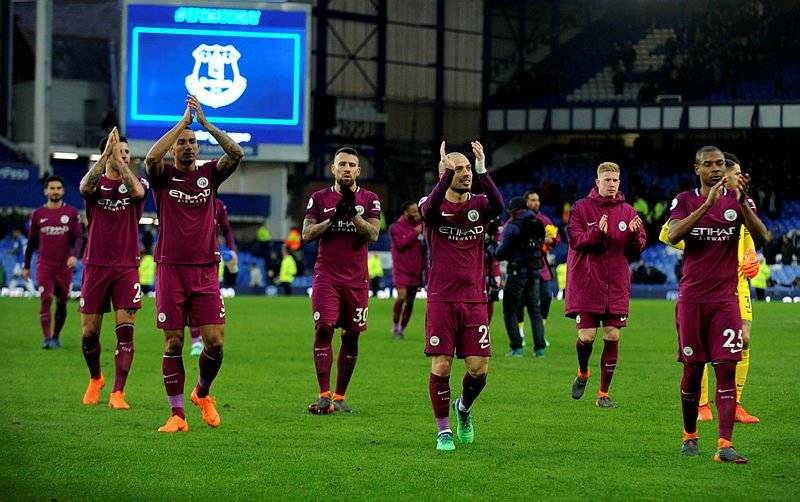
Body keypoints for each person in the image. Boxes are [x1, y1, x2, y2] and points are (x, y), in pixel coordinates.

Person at [145, 94, 244, 432]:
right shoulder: (163, 177)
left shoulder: (209, 176)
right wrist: (181, 125)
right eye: (183, 143)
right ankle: (177, 415)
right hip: (170, 269)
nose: (188, 146)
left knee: (215, 342)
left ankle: (202, 393)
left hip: (205, 270)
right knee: (173, 342)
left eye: (192, 143)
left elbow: (236, 153)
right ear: (175, 147)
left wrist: (205, 125)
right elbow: (150, 157)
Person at [667, 145, 769, 463]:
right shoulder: (684, 200)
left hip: (725, 299)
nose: (715, 169)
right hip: (691, 300)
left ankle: (724, 445)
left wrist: (741, 204)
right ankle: (689, 436)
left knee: (726, 367)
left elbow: (763, 236)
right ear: (697, 169)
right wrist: (705, 207)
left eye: (720, 164)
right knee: (693, 371)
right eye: (708, 164)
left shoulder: (739, 201)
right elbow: (672, 235)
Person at [419, 140, 503, 451]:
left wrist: (483, 169)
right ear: (444, 173)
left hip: (475, 298)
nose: (465, 173)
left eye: (467, 168)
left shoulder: (479, 204)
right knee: (441, 365)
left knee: (478, 369)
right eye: (459, 169)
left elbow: (499, 205)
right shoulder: (432, 205)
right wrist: (444, 173)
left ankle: (463, 409)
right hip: (441, 298)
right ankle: (443, 431)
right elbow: (428, 212)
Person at [302, 146, 381, 414]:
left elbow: (372, 234)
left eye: (351, 165)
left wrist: (353, 215)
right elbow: (307, 234)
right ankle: (324, 395)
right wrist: (332, 220)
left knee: (352, 336)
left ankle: (340, 396)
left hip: (357, 280)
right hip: (327, 276)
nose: (346, 168)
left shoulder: (370, 198)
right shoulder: (319, 198)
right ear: (332, 169)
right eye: (342, 164)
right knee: (324, 328)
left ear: (359, 171)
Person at [566, 162, 646, 409]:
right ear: (597, 182)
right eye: (607, 180)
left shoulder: (629, 212)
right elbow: (575, 240)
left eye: (615, 180)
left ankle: (603, 394)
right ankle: (582, 372)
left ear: (620, 183)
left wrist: (633, 236)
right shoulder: (580, 208)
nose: (612, 184)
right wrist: (597, 234)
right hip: (587, 283)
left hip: (616, 284)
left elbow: (638, 248)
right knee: (587, 337)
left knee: (612, 335)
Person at [78, 127, 148, 409]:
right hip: (95, 265)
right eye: (119, 150)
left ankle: (118, 393)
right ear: (106, 154)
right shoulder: (95, 186)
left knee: (126, 330)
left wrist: (120, 164)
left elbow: (139, 193)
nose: (125, 156)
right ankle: (96, 379)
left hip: (126, 265)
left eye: (127, 152)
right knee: (89, 332)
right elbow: (84, 188)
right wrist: (106, 156)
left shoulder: (137, 182)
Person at [24, 175, 83, 349]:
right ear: (45, 191)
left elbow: (79, 237)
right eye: (52, 188)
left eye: (58, 188)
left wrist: (74, 255)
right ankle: (47, 338)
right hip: (45, 265)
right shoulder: (38, 214)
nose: (55, 191)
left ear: (62, 191)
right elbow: (31, 241)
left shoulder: (71, 213)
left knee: (62, 301)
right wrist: (26, 265)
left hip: (64, 267)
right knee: (46, 298)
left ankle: (56, 336)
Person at [494, 196, 545, 357]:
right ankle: (540, 349)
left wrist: (494, 250)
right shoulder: (538, 223)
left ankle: (517, 347)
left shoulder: (513, 226)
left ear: (515, 211)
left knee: (510, 309)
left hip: (517, 273)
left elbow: (500, 253)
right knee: (535, 311)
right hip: (535, 272)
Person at [190, 197, 237, 356]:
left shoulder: (219, 204)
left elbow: (227, 229)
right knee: (191, 300)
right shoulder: (190, 198)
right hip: (189, 259)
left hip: (211, 259)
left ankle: (206, 339)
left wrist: (232, 249)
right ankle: (196, 341)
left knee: (206, 300)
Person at [524, 189, 561, 344]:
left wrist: (551, 241)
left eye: (538, 200)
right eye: (532, 200)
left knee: (546, 297)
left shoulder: (544, 220)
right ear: (526, 202)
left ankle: (541, 332)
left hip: (541, 266)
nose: (536, 203)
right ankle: (520, 334)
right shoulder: (519, 219)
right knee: (521, 302)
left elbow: (557, 238)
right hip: (523, 265)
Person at [388, 201, 426, 340]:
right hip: (401, 270)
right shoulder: (395, 227)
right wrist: (415, 232)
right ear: (406, 212)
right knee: (401, 297)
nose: (417, 214)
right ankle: (395, 326)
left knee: (410, 301)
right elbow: (400, 245)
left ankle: (401, 330)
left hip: (415, 271)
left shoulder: (422, 228)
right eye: (414, 211)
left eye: (417, 211)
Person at [8, 227, 38, 295]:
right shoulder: (24, 239)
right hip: (21, 261)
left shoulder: (19, 240)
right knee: (15, 276)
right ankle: (9, 291)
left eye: (13, 233)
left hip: (21, 261)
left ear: (17, 232)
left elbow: (16, 250)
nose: (13, 234)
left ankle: (33, 292)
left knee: (25, 277)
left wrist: (10, 252)